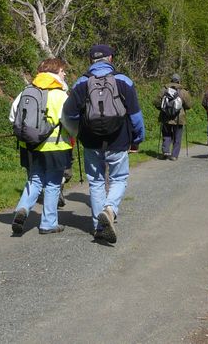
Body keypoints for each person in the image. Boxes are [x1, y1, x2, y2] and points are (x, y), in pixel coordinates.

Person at [61, 43, 145, 245]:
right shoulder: (123, 81)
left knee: (97, 182)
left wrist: (78, 131)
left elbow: (68, 114)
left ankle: (99, 227)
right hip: (119, 140)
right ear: (110, 59)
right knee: (118, 179)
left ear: (91, 61)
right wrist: (137, 139)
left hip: (91, 142)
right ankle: (110, 210)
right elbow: (135, 116)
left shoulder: (81, 83)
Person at [8, 57, 74, 235]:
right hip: (56, 147)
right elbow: (69, 122)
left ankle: (22, 209)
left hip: (31, 145)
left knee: (35, 179)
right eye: (62, 70)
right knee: (52, 184)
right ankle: (48, 223)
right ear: (54, 72)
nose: (65, 73)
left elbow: (13, 117)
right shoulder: (60, 95)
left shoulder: (27, 91)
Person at [153, 73, 193, 160]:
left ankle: (166, 152)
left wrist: (162, 109)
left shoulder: (164, 89)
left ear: (171, 80)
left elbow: (156, 102)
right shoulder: (183, 91)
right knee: (177, 137)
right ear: (179, 81)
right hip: (179, 118)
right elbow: (189, 105)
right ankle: (174, 155)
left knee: (166, 135)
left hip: (165, 116)